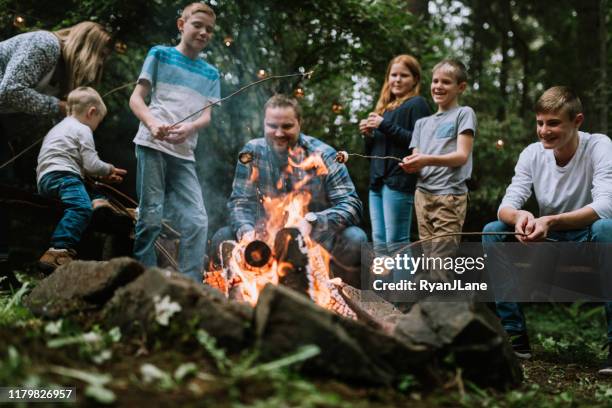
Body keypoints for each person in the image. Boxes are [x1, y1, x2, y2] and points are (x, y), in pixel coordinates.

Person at [482, 86, 612, 373]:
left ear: (577, 121)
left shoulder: (599, 146)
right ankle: (515, 337)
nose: (544, 131)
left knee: (607, 228)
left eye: (553, 123)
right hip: (547, 240)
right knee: (493, 229)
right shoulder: (532, 154)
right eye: (540, 122)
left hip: (587, 236)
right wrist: (520, 218)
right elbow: (506, 206)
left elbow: (606, 205)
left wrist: (551, 220)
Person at [211, 94, 366, 287]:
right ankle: (237, 302)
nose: (278, 133)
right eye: (272, 126)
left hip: (315, 242)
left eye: (286, 126)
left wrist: (314, 221)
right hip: (263, 243)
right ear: (264, 124)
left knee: (355, 238)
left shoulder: (324, 155)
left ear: (299, 123)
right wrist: (247, 233)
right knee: (222, 237)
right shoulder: (251, 153)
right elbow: (239, 203)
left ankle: (343, 300)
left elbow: (352, 205)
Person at [0, 21, 112, 263]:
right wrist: (58, 107)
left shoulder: (59, 81)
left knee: (5, 188)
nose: (101, 63)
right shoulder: (45, 44)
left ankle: (3, 266)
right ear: (87, 46)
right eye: (101, 54)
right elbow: (9, 90)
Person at [129, 2, 220, 282]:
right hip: (152, 143)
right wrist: (153, 124)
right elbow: (136, 99)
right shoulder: (160, 54)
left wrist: (190, 127)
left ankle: (190, 284)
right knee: (151, 215)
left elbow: (206, 117)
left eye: (210, 30)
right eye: (197, 25)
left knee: (197, 219)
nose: (204, 32)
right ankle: (146, 280)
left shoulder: (211, 73)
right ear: (182, 25)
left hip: (184, 153)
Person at [36, 87, 126, 270]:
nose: (96, 126)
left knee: (85, 187)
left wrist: (103, 177)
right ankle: (58, 250)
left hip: (46, 179)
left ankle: (99, 201)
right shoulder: (82, 129)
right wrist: (108, 169)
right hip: (64, 176)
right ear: (91, 112)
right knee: (81, 207)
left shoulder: (59, 127)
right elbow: (92, 164)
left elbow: (83, 167)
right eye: (98, 121)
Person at [399, 59, 476, 247]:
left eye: (446, 82)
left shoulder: (464, 114)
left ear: (461, 87)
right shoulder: (421, 124)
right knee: (430, 259)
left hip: (449, 196)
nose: (438, 86)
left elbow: (461, 156)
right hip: (422, 196)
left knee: (441, 262)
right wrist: (411, 164)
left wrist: (426, 160)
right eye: (435, 81)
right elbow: (418, 160)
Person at [360, 55, 431, 247]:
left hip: (399, 180)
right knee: (380, 243)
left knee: (397, 243)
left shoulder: (417, 104)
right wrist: (368, 135)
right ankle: (382, 279)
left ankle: (402, 279)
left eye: (404, 75)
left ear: (415, 79)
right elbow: (371, 153)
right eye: (394, 75)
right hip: (377, 183)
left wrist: (384, 125)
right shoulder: (384, 109)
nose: (397, 80)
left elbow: (418, 141)